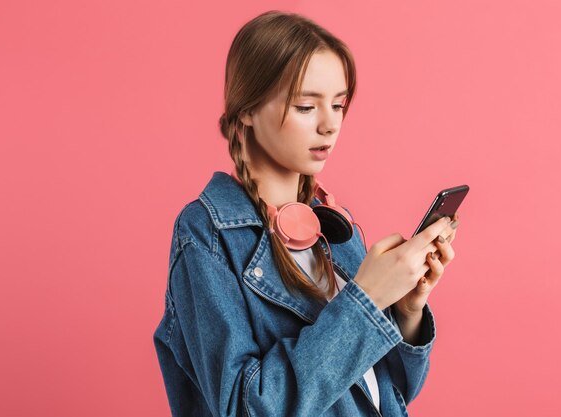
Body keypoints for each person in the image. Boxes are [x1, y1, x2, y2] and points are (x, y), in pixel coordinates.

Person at [153, 10, 460, 417]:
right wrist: (366, 298)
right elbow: (246, 409)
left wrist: (406, 310)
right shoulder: (207, 234)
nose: (330, 124)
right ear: (247, 109)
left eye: (338, 104)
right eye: (305, 106)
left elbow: (392, 393)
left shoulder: (335, 227)